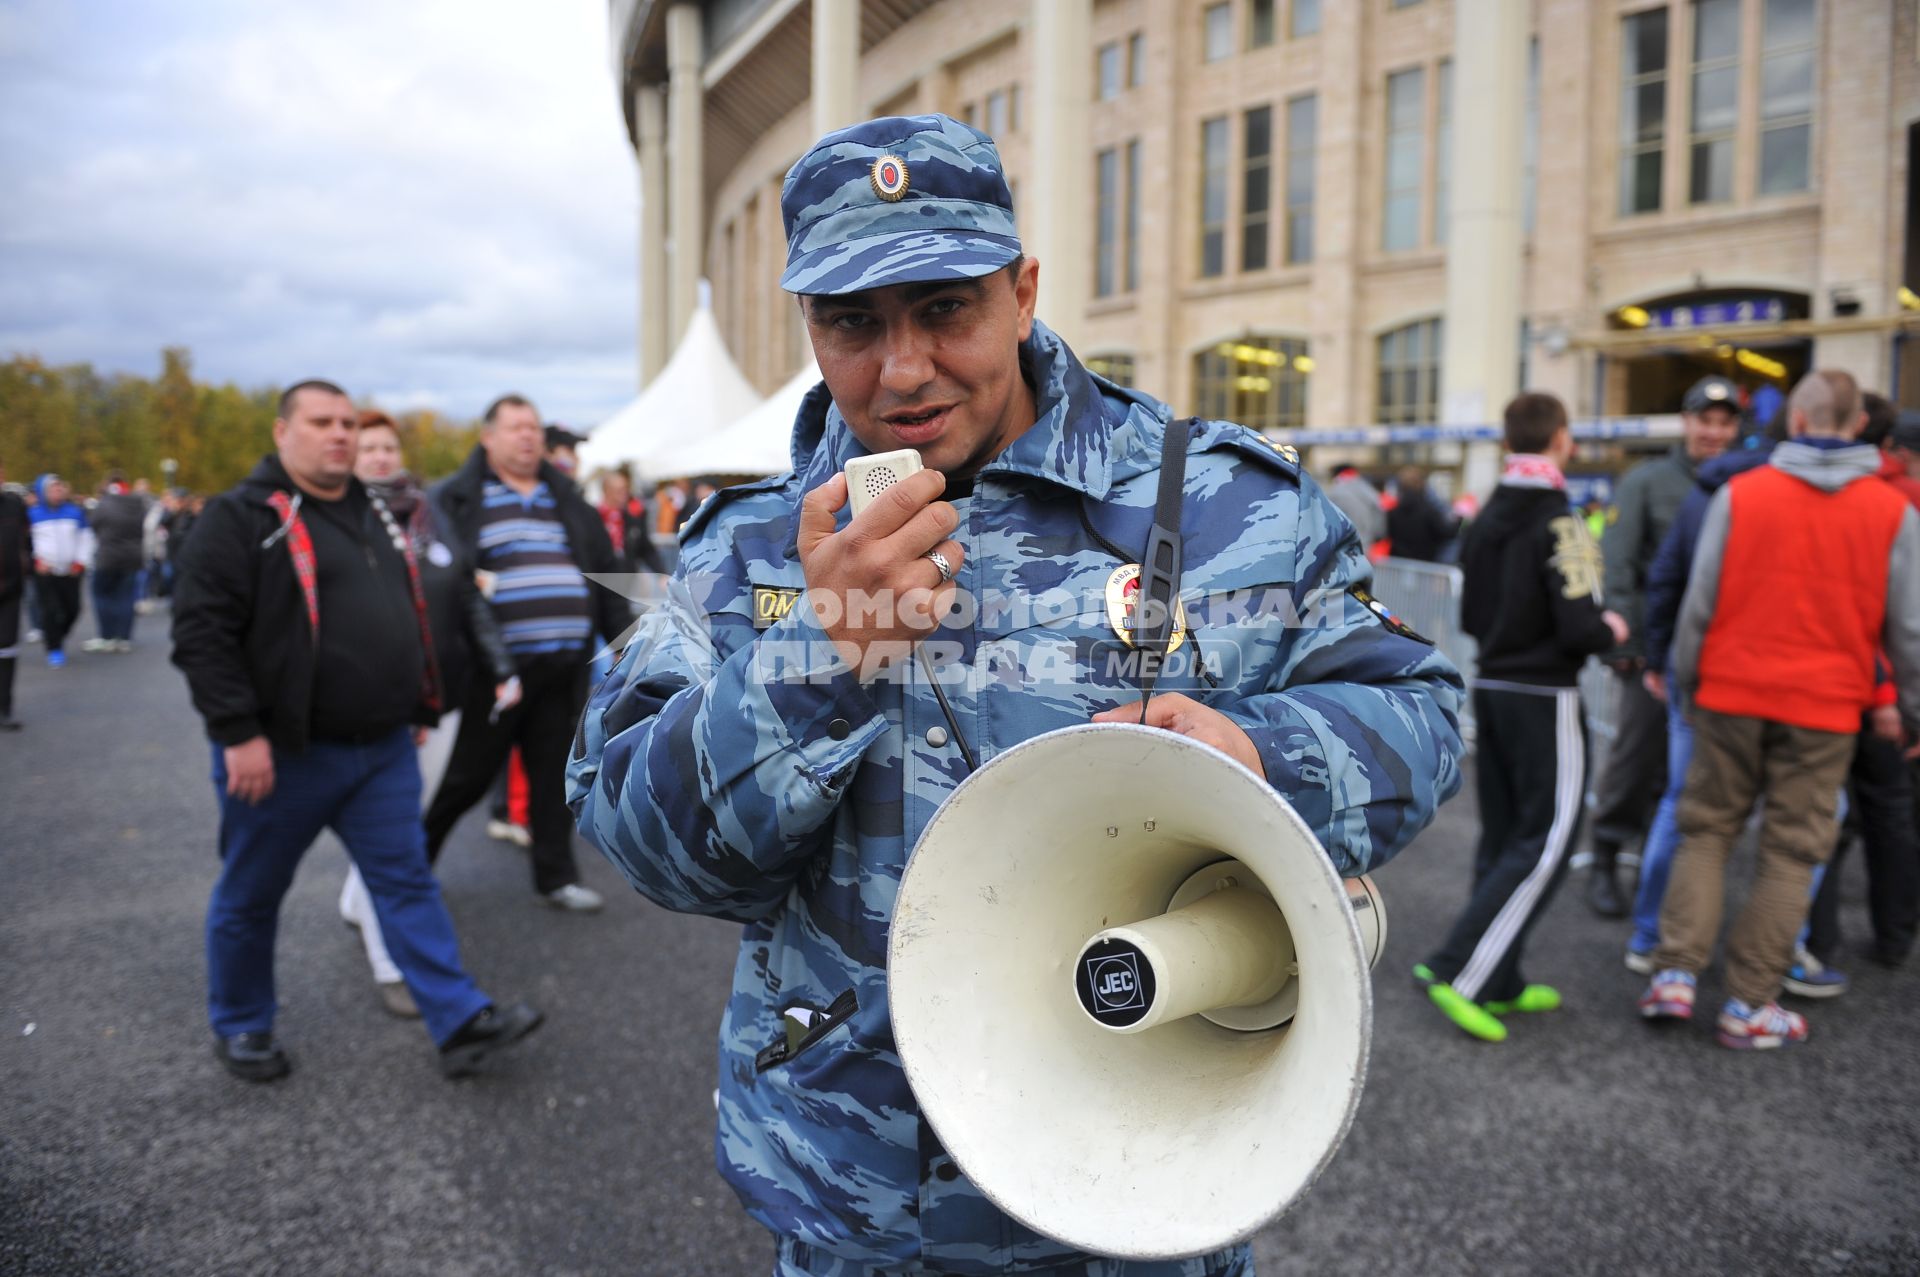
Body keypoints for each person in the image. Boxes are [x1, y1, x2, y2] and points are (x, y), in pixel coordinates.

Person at [568, 113, 1465, 1277]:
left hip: (1151, 1182)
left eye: (945, 308)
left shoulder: (1221, 502)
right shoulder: (742, 552)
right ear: (808, 324)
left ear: (1023, 288)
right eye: (852, 323)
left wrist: (1258, 758)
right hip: (861, 1211)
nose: (901, 370)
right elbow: (651, 847)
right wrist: (814, 659)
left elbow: (1420, 706)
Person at [170, 379, 542, 1081]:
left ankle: (459, 1019)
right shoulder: (244, 516)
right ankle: (243, 1023)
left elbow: (409, 610)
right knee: (251, 891)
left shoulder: (374, 511)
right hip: (282, 753)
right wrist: (237, 732)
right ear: (283, 432)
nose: (338, 433)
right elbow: (201, 633)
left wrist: (416, 703)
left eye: (347, 421)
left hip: (381, 748)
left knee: (406, 883)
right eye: (321, 422)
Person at [1638, 370, 1920, 1050]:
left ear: (1795, 421)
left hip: (1730, 693)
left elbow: (1697, 605)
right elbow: (1908, 630)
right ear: (1858, 428)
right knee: (1792, 849)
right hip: (1825, 708)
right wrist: (1909, 709)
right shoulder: (1893, 513)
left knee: (1706, 830)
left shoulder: (1741, 494)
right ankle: (1748, 1003)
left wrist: (1684, 682)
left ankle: (1674, 974)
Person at [1413, 392, 1628, 1043]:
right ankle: (1462, 971)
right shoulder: (1563, 520)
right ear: (1562, 439)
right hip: (1547, 695)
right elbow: (1581, 622)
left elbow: (1472, 615)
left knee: (1506, 836)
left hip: (1494, 684)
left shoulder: (1485, 517)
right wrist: (1611, 628)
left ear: (1509, 443)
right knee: (1550, 841)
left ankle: (1499, 976)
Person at [335, 409, 521, 1018]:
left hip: (444, 698)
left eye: (388, 447)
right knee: (393, 828)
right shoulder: (343, 523)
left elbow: (466, 597)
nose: (381, 457)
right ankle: (391, 957)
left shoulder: (427, 514)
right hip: (379, 704)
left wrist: (501, 669)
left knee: (409, 815)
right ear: (350, 458)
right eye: (369, 449)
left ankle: (357, 898)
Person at [422, 394, 627, 913]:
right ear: (487, 438)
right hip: (492, 673)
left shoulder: (567, 500)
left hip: (561, 669)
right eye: (515, 427)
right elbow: (441, 583)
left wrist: (628, 647)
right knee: (464, 780)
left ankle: (555, 878)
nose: (528, 436)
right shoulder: (456, 499)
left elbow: (603, 578)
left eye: (533, 426)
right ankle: (408, 872)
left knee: (552, 779)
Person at [1582, 376, 1740, 917]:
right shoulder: (1647, 481)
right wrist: (1626, 643)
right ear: (1687, 422)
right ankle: (1605, 854)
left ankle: (1658, 866)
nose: (1713, 433)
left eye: (1724, 423)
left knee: (1690, 773)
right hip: (1655, 650)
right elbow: (1617, 562)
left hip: (1720, 654)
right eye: (1705, 420)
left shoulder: (1742, 483)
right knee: (1634, 759)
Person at [1803, 392, 1920, 970]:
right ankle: (1895, 938)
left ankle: (1816, 941)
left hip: (1829, 681)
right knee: (1891, 814)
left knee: (1819, 816)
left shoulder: (1826, 495)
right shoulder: (1899, 504)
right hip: (1889, 691)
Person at [28, 474, 92, 668]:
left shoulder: (75, 512)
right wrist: (36, 560)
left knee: (73, 609)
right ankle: (54, 647)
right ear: (42, 492)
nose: (58, 491)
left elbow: (86, 538)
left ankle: (58, 634)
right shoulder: (32, 514)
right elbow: (24, 543)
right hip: (46, 572)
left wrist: (81, 561)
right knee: (50, 610)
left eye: (60, 487)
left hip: (71, 571)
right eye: (52, 488)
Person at [86, 472, 147, 653]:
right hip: (133, 557)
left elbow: (94, 525)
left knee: (103, 596)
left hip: (108, 557)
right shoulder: (137, 504)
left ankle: (107, 636)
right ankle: (124, 637)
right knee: (126, 597)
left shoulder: (105, 504)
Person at [0, 461, 29, 730]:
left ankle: (5, 708)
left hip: (9, 589)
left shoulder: (14, 505)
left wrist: (28, 565)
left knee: (7, 648)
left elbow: (27, 541)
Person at [596, 470, 667, 575]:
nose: (625, 494)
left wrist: (661, 573)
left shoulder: (632, 519)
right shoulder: (594, 518)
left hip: (627, 581)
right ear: (607, 491)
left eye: (626, 489)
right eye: (619, 490)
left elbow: (646, 549)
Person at [1385, 466, 1456, 562]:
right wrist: (1458, 524)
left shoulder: (1392, 513)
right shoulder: (1429, 511)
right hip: (1424, 566)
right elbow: (1445, 534)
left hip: (1399, 567)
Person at [1326, 465, 1385, 549]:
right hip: (1366, 541)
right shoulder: (1367, 488)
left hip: (1344, 542)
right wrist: (1379, 534)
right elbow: (1379, 508)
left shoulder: (1335, 491)